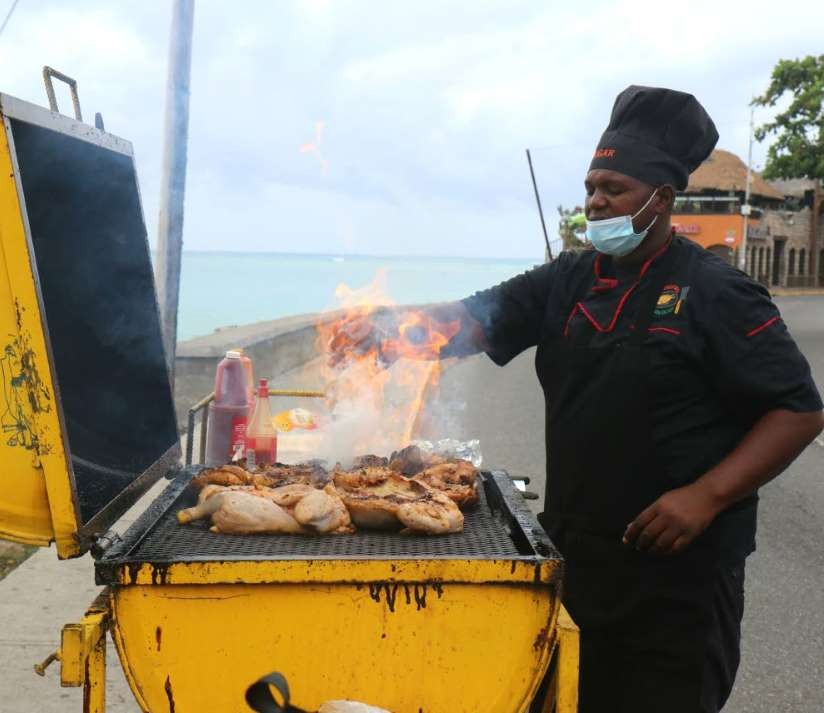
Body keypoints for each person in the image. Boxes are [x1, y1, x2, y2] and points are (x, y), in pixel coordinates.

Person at [326, 85, 824, 713]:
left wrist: (706, 496)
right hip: (578, 559)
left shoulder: (717, 292)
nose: (595, 201)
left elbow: (799, 410)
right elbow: (477, 317)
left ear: (661, 200)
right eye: (592, 186)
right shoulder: (568, 279)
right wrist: (386, 328)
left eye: (613, 188)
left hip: (680, 580)